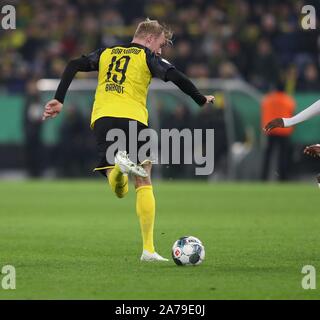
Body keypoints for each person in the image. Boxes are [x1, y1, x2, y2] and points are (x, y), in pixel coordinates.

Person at [41, 18, 215, 262]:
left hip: (102, 118)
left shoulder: (106, 52)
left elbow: (72, 64)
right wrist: (199, 98)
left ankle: (119, 171)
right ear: (150, 38)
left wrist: (59, 99)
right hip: (133, 118)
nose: (161, 50)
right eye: (161, 44)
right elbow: (176, 76)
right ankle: (148, 249)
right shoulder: (146, 56)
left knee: (117, 183)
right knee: (143, 177)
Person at [260, 83, 295, 180]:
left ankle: (263, 177)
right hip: (284, 131)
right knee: (283, 156)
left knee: (268, 155)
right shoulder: (288, 100)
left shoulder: (267, 99)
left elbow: (263, 110)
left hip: (270, 130)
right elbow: (292, 113)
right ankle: (283, 178)